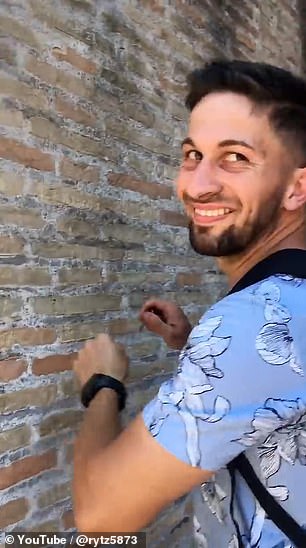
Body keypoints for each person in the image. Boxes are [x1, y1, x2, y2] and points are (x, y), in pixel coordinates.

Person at [72, 60, 306, 547]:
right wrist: (194, 343)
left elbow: (101, 518)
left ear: (297, 188)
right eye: (192, 154)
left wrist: (103, 384)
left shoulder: (256, 321)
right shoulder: (281, 304)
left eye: (235, 158)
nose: (197, 186)